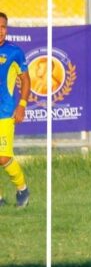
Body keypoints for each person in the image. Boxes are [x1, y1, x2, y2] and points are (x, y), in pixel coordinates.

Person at [0, 12, 30, 209]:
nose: (0, 31)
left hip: (5, 112)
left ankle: (22, 189)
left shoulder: (14, 52)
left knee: (3, 157)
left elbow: (26, 80)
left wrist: (22, 105)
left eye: (3, 27)